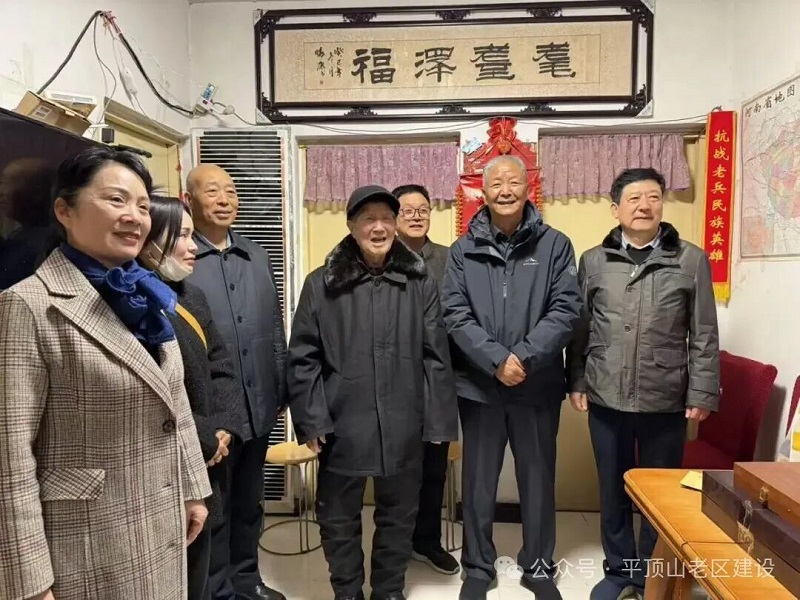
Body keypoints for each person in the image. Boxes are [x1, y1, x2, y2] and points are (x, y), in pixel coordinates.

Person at [0, 146, 211, 600]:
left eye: (142, 205)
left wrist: (193, 487)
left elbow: (174, 401)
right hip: (87, 540)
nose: (134, 216)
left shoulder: (145, 292)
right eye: (116, 200)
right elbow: (9, 456)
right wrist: (28, 583)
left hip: (159, 514)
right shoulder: (28, 305)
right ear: (65, 211)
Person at [287, 185, 459, 600]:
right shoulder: (321, 283)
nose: (378, 227)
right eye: (368, 219)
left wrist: (438, 422)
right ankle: (347, 591)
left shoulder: (418, 280)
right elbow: (303, 357)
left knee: (399, 517)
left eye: (386, 218)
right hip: (342, 423)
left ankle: (388, 590)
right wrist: (312, 419)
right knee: (338, 518)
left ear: (395, 224)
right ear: (351, 226)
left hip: (404, 422)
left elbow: (436, 355)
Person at [567, 167, 720, 600]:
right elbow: (580, 328)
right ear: (615, 209)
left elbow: (704, 332)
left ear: (662, 205)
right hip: (605, 394)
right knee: (612, 488)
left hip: (665, 397)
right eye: (633, 199)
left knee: (658, 494)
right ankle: (620, 571)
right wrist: (576, 380)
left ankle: (650, 574)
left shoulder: (690, 259)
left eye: (653, 197)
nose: (644, 206)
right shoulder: (593, 261)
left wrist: (702, 391)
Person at [441, 155, 582, 600]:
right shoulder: (463, 250)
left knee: (537, 480)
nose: (505, 190)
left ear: (528, 187)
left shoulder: (555, 245)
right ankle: (477, 567)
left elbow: (567, 310)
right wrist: (495, 360)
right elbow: (454, 314)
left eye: (514, 181)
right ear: (483, 191)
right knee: (478, 483)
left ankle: (538, 567)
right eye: (496, 182)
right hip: (479, 388)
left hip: (537, 387)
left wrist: (522, 357)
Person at [185, 163, 287, 600]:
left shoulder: (256, 255)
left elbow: (274, 328)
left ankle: (248, 581)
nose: (225, 199)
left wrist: (281, 388)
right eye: (212, 191)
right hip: (212, 415)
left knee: (249, 503)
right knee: (215, 508)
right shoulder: (182, 258)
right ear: (189, 200)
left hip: (258, 404)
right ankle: (216, 589)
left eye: (230, 190)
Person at [139, 196, 249, 600]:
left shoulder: (190, 296)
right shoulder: (132, 301)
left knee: (207, 563)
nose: (192, 247)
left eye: (191, 235)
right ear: (150, 240)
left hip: (210, 454)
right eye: (181, 236)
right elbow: (151, 393)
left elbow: (221, 365)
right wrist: (203, 435)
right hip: (170, 462)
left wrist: (224, 427)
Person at [392, 183, 459, 576]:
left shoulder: (450, 260)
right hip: (392, 382)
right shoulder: (381, 257)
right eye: (407, 210)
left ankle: (427, 540)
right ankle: (396, 543)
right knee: (398, 470)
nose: (416, 216)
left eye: (423, 209)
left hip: (438, 380)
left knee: (435, 468)